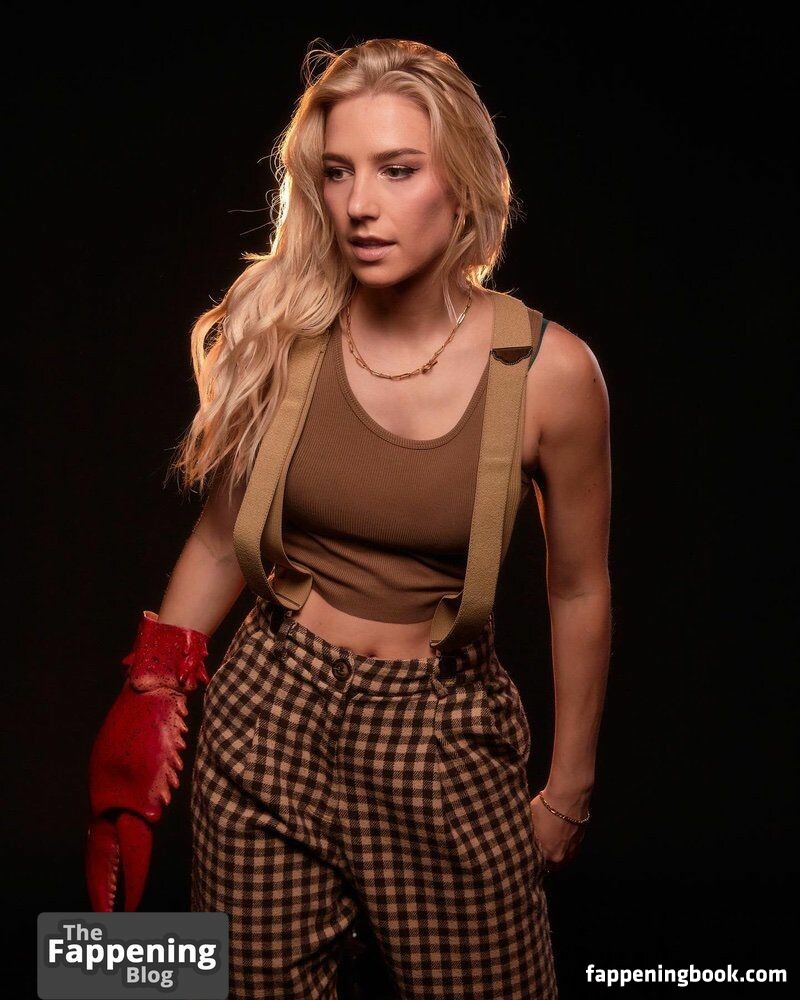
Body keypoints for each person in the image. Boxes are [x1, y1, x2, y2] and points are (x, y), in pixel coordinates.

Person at [86, 37, 611, 1000]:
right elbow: (222, 537)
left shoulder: (550, 374)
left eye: (397, 169)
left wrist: (569, 788)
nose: (360, 203)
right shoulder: (287, 332)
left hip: (441, 731)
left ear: (462, 182)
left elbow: (578, 588)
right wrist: (150, 693)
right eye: (337, 172)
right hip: (269, 712)